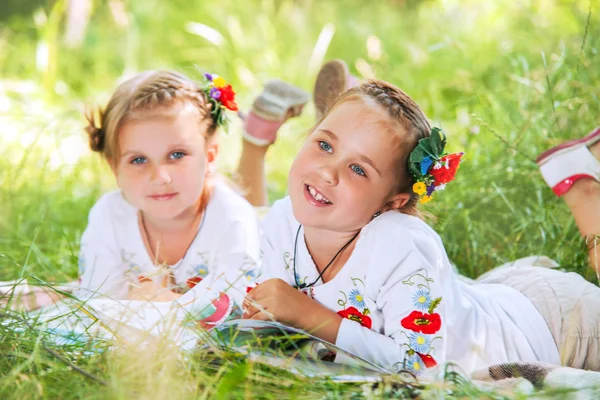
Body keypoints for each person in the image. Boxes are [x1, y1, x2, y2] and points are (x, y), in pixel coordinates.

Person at [236, 60, 600, 375]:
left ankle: (587, 193)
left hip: (554, 324)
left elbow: (420, 365)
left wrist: (308, 315)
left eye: (358, 169)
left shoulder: (401, 243)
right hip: (482, 299)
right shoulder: (284, 219)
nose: (328, 173)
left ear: (393, 202)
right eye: (325, 145)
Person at [76, 70, 260, 316]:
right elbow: (97, 302)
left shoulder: (231, 219)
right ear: (114, 166)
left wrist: (168, 303)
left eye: (177, 155)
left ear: (210, 156)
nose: (160, 176)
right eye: (139, 159)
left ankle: (257, 141)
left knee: (263, 213)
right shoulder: (110, 216)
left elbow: (241, 312)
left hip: (267, 239)